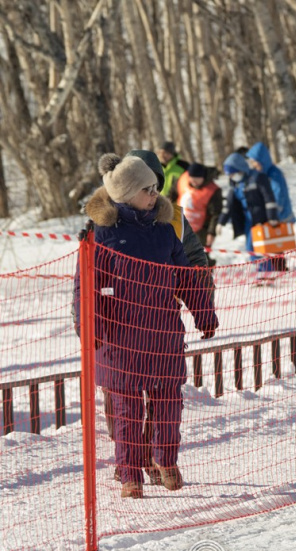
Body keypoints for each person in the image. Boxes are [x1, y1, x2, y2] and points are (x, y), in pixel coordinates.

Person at [74, 154, 218, 498]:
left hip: (164, 334)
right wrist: (89, 328)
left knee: (169, 404)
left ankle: (165, 460)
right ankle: (130, 474)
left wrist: (204, 312)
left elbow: (186, 276)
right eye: (147, 189)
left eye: (156, 188)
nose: (156, 194)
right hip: (120, 340)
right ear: (126, 194)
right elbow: (85, 288)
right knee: (126, 410)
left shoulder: (165, 230)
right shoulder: (102, 235)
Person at [219, 151, 281, 278]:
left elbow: (269, 198)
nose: (232, 176)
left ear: (241, 169)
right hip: (247, 220)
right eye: (230, 175)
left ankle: (267, 272)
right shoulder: (235, 183)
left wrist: (272, 217)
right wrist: (221, 221)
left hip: (261, 219)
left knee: (260, 247)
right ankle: (261, 271)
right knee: (250, 247)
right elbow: (229, 204)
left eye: (233, 173)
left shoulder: (258, 178)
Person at [246, 142, 295, 273]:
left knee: (276, 242)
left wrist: (273, 213)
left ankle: (280, 268)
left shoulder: (273, 174)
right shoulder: (264, 174)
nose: (254, 165)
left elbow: (278, 194)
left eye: (256, 162)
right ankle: (276, 267)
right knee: (272, 242)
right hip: (273, 213)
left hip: (280, 213)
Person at [177, 162, 223, 264]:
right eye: (191, 178)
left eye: (197, 179)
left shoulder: (213, 191)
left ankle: (205, 276)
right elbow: (173, 194)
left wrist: (211, 232)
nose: (193, 181)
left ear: (203, 177)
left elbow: (216, 214)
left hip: (201, 229)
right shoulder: (183, 180)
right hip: (181, 225)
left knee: (200, 257)